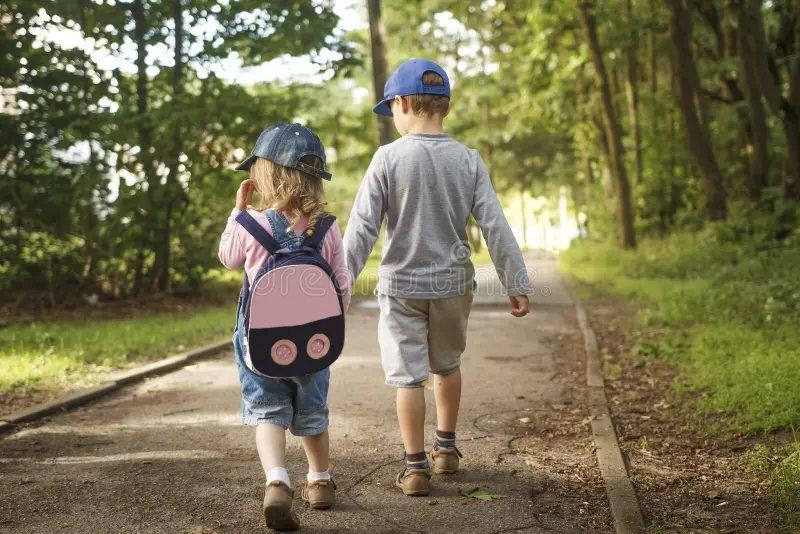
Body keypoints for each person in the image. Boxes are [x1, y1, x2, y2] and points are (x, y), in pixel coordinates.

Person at [343, 59, 531, 497]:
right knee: (446, 366)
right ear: (443, 106)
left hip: (401, 287)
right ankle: (446, 449)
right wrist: (515, 281)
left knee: (407, 377)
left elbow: (362, 228)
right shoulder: (468, 160)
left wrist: (341, 285)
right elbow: (495, 225)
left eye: (391, 109)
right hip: (451, 285)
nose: (392, 117)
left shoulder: (387, 158)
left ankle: (415, 468)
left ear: (404, 103)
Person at [218, 123, 350, 530]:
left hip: (261, 343)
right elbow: (342, 283)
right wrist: (330, 326)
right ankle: (321, 480)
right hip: (313, 341)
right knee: (312, 411)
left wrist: (238, 213)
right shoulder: (326, 226)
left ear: (263, 177)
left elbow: (227, 259)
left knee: (267, 411)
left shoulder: (250, 224)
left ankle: (277, 480)